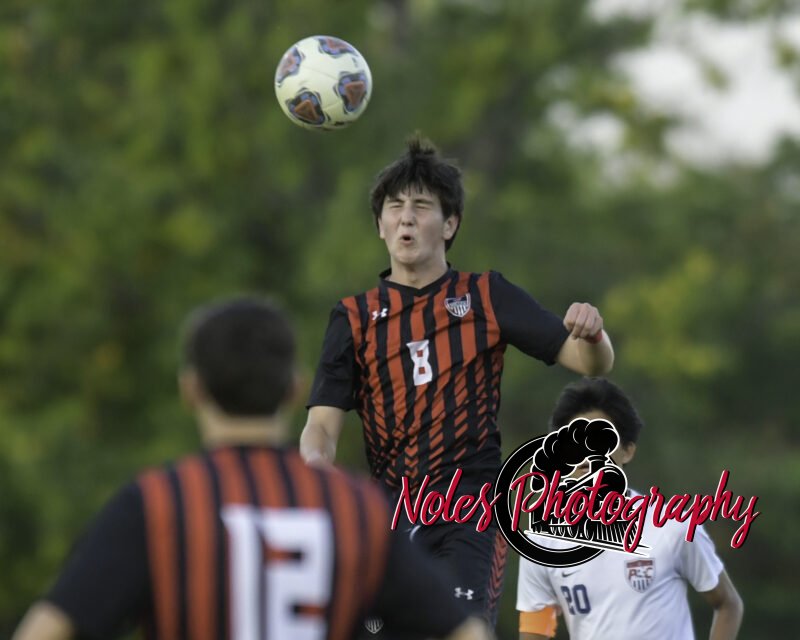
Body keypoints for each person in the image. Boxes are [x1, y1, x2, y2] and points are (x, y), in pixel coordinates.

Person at [12, 297, 492, 640]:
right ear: (294, 388)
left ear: (191, 390)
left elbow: (46, 630)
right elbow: (465, 631)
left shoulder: (158, 504)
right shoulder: (355, 508)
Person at [300, 136, 615, 630]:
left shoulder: (487, 295)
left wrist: (593, 334)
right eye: (395, 207)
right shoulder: (353, 318)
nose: (406, 218)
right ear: (380, 225)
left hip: (470, 507)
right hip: (390, 511)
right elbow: (321, 424)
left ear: (450, 224)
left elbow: (590, 362)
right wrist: (316, 466)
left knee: (462, 629)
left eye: (421, 206)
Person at [516, 377, 744, 640]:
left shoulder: (672, 526)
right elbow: (535, 631)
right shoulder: (542, 544)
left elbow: (728, 604)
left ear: (627, 451)